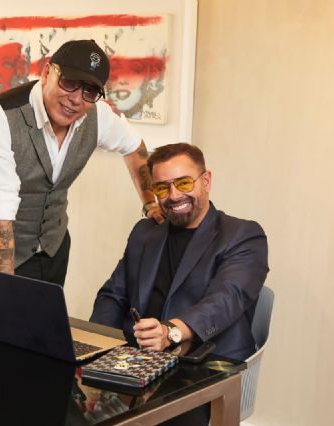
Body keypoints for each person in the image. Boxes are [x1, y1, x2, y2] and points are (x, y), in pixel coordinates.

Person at [0, 40, 164, 327]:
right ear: (47, 72)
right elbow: (1, 212)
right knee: (5, 331)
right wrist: (5, 296)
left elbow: (134, 147)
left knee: (46, 331)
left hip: (53, 246)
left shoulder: (97, 116)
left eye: (90, 91)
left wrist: (150, 203)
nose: (76, 99)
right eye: (69, 82)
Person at [90, 143, 269, 425]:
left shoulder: (243, 235)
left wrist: (170, 332)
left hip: (204, 369)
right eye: (162, 188)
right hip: (138, 365)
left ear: (206, 181)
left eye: (184, 183)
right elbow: (114, 295)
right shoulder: (145, 232)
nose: (174, 196)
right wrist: (95, 349)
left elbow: (227, 298)